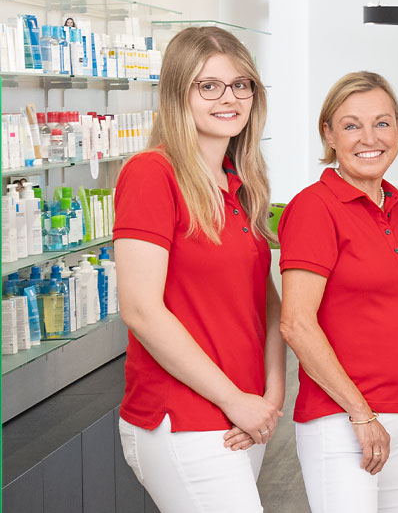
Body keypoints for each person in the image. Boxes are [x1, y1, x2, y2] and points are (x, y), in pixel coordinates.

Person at [114, 26, 283, 512]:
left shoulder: (242, 181)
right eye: (208, 86)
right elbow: (141, 310)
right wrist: (235, 399)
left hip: (246, 412)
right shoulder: (152, 173)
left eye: (240, 84)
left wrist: (272, 391)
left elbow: (264, 299)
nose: (228, 98)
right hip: (183, 415)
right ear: (177, 93)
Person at [280, 72, 398, 512]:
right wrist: (361, 413)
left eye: (382, 123)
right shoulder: (314, 208)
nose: (369, 138)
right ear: (328, 134)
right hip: (342, 417)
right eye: (351, 125)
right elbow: (296, 323)